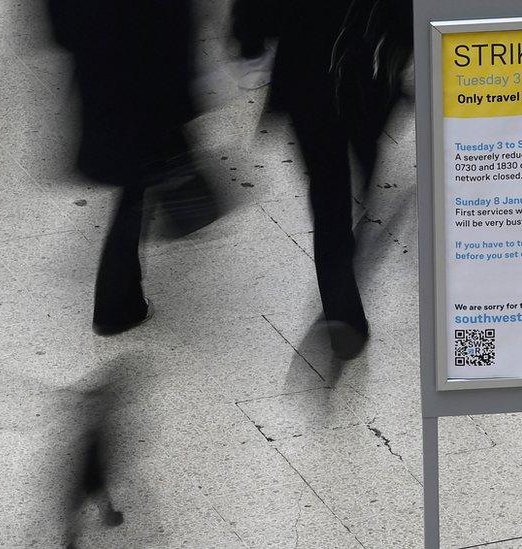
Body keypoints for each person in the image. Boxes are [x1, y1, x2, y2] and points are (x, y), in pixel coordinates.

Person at [232, 0, 412, 358]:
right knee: (356, 158)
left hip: (306, 72)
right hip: (367, 65)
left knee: (328, 190)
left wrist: (250, 44)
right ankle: (343, 306)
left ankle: (343, 312)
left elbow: (257, 15)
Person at [47, 0, 220, 335]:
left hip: (102, 65)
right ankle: (116, 303)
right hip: (148, 74)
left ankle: (120, 300)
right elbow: (175, 21)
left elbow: (60, 26)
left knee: (136, 176)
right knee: (141, 175)